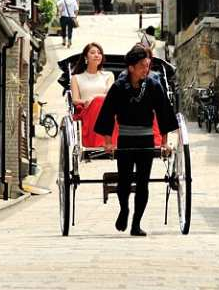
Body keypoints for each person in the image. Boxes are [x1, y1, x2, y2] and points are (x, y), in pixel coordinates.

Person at [94, 45, 177, 236]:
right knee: (124, 181)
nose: (145, 70)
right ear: (131, 67)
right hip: (125, 138)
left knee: (142, 182)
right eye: (142, 66)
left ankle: (136, 224)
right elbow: (107, 114)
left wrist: (164, 142)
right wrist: (108, 142)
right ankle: (124, 210)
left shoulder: (154, 86)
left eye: (147, 66)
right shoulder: (118, 87)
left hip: (146, 139)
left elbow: (164, 114)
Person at [70, 42, 116, 147]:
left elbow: (110, 96)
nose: (97, 55)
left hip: (107, 110)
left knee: (101, 102)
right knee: (98, 102)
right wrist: (89, 101)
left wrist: (94, 98)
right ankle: (100, 142)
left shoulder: (108, 75)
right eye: (93, 52)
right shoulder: (76, 78)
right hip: (86, 109)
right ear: (86, 57)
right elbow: (75, 100)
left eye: (99, 53)